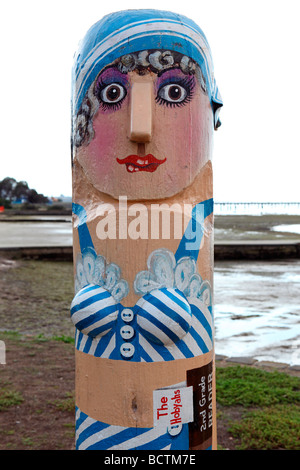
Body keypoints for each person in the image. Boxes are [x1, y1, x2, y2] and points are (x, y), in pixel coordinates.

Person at [71, 9, 222, 450]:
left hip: (179, 433)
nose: (140, 128)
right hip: (95, 430)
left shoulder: (196, 221)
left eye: (174, 91)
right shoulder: (86, 220)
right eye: (112, 92)